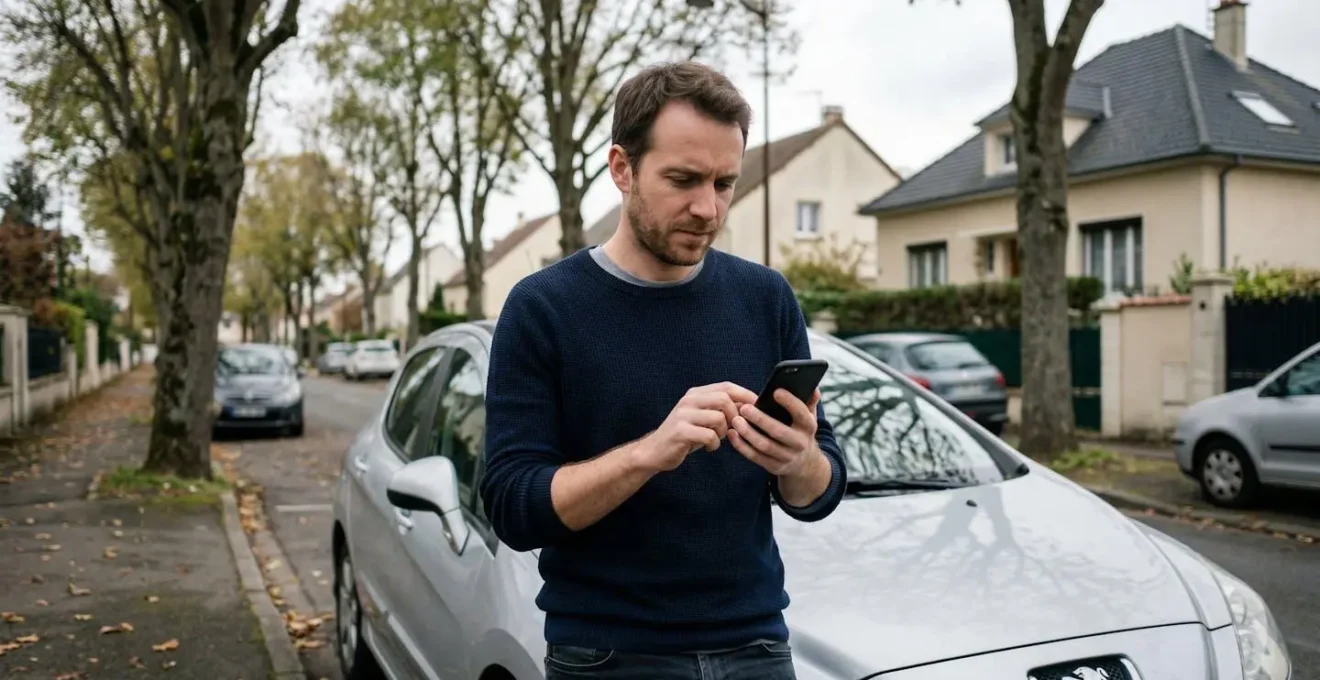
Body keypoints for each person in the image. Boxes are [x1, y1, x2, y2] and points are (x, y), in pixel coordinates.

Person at [480, 61, 846, 680]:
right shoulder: (542, 308)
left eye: (725, 183)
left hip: (756, 646)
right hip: (608, 654)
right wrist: (650, 452)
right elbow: (515, 509)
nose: (708, 208)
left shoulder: (765, 298)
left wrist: (798, 461)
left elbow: (819, 491)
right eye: (683, 179)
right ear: (622, 168)